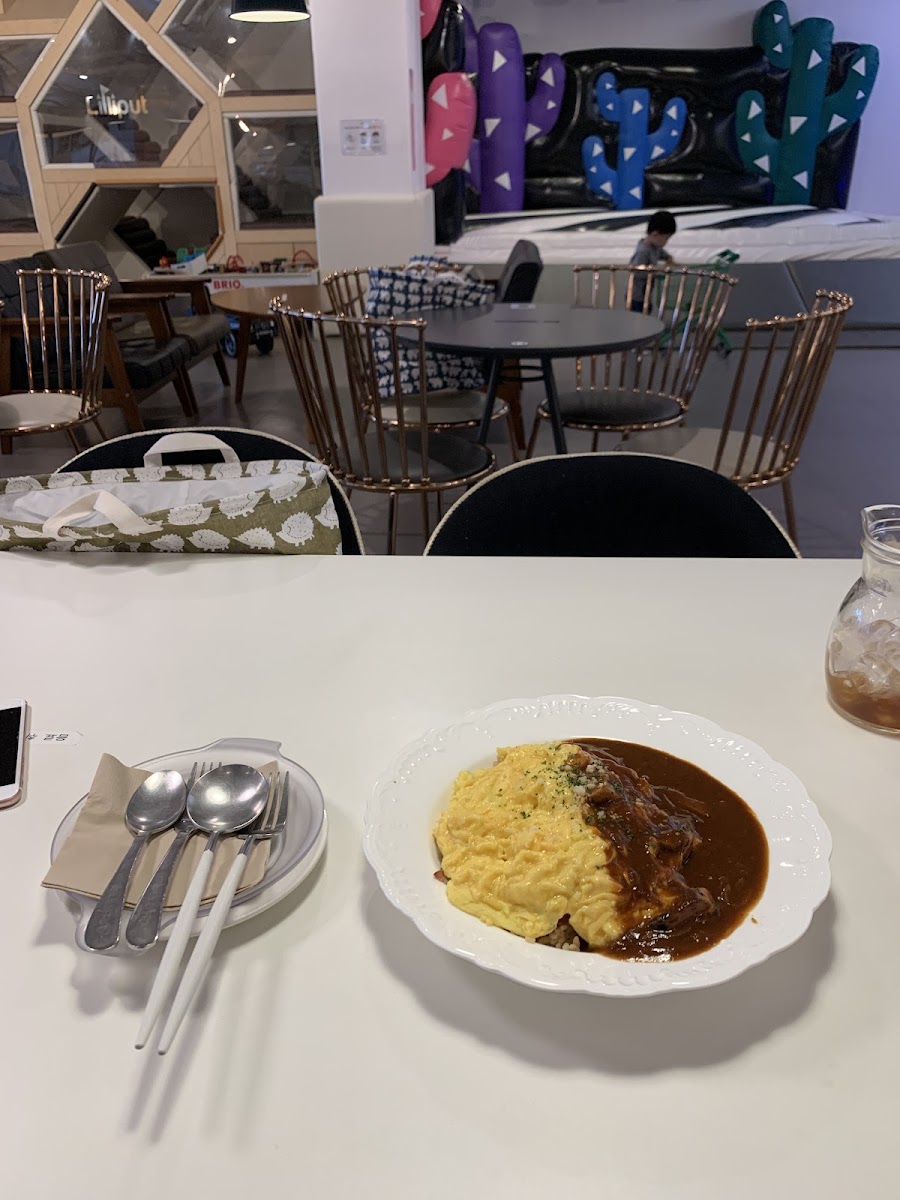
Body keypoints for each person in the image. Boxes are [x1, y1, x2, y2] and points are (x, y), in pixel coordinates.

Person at [629, 210, 677, 310]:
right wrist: (656, 272)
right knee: (639, 316)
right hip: (636, 296)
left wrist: (669, 259)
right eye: (666, 238)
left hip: (646, 294)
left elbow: (664, 254)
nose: (666, 242)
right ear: (655, 234)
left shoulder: (655, 247)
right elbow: (636, 271)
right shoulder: (643, 251)